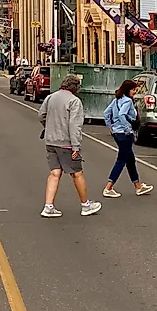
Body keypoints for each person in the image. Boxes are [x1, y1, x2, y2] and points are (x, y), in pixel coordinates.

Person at [38, 74, 101, 218]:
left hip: (50, 141)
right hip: (65, 143)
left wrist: (48, 127)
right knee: (77, 173)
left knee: (55, 172)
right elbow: (74, 125)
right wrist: (76, 146)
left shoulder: (50, 97)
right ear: (76, 87)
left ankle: (48, 206)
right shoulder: (74, 101)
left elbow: (41, 115)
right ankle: (85, 205)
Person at [102, 80, 153, 198]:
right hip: (125, 134)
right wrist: (127, 129)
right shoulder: (128, 101)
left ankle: (138, 186)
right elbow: (121, 114)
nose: (135, 92)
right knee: (121, 160)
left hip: (117, 133)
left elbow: (106, 113)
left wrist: (110, 127)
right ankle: (109, 187)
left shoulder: (116, 100)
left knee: (130, 160)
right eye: (133, 89)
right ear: (128, 90)